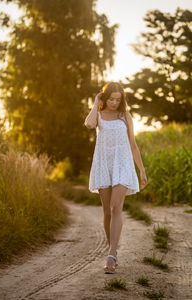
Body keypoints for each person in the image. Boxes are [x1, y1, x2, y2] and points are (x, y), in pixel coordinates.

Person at [84, 82, 148, 274]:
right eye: (111, 99)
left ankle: (111, 254)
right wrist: (96, 103)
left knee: (115, 207)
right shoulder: (99, 115)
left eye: (117, 99)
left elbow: (133, 145)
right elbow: (89, 124)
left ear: (122, 100)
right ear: (105, 97)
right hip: (104, 164)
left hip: (122, 164)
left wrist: (142, 170)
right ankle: (113, 248)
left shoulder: (125, 116)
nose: (114, 102)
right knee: (107, 212)